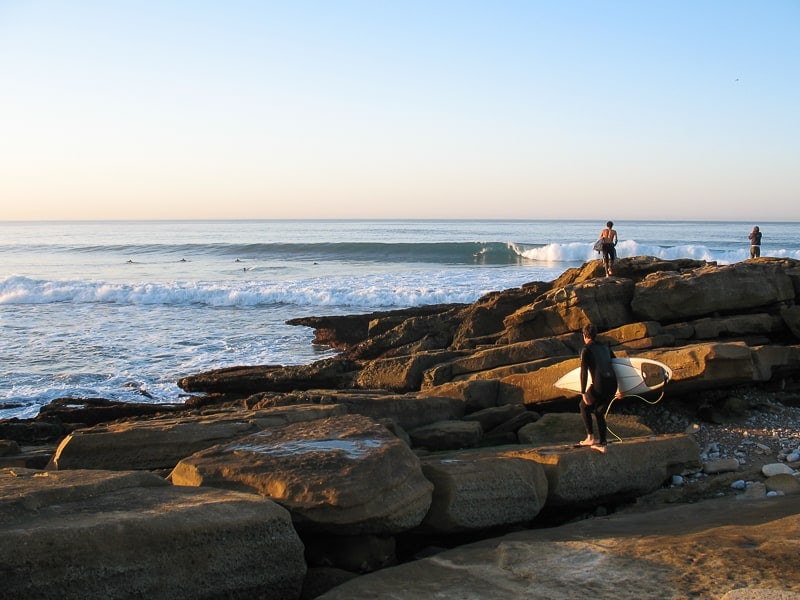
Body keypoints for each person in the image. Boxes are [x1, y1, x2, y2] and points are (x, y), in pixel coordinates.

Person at [578, 323, 618, 451]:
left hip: (600, 385)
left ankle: (590, 438)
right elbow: (617, 364)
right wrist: (621, 390)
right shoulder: (605, 347)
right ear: (595, 335)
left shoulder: (586, 349)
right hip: (613, 384)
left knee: (583, 406)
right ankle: (603, 441)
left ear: (584, 336)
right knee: (599, 411)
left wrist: (583, 392)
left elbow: (583, 372)